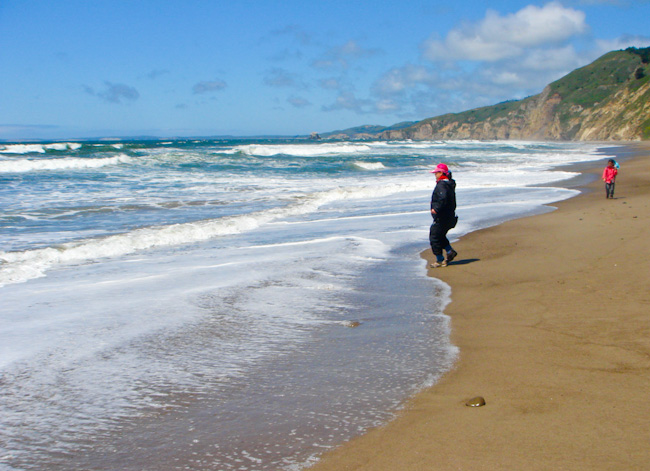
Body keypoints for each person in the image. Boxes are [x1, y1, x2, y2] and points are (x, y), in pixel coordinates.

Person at [429, 163, 458, 268]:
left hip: (442, 216)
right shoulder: (449, 184)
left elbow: (443, 198)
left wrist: (435, 209)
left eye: (436, 173)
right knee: (440, 236)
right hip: (449, 216)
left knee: (434, 236)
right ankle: (450, 251)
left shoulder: (442, 184)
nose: (435, 175)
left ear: (441, 173)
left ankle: (439, 259)